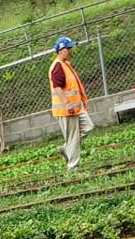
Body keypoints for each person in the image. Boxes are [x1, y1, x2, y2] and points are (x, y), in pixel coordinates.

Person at [49, 36, 95, 172]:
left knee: (89, 127)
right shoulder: (57, 66)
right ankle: (72, 167)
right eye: (68, 48)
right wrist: (67, 104)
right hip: (66, 109)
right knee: (73, 138)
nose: (70, 50)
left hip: (76, 108)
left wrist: (82, 101)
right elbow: (57, 88)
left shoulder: (66, 64)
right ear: (61, 50)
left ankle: (66, 148)